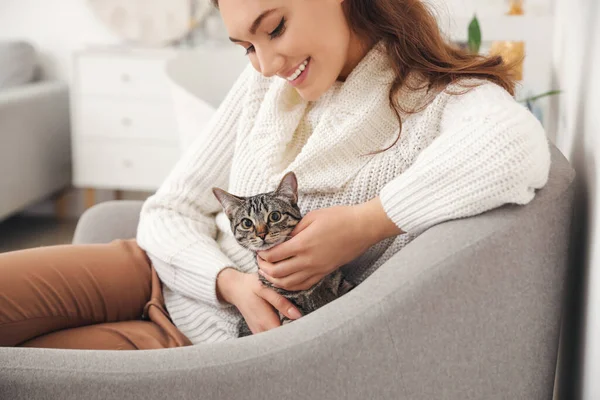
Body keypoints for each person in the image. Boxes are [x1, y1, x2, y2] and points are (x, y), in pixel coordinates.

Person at [0, 0, 551, 349]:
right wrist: (229, 283)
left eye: (276, 28)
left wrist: (366, 223)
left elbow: (515, 147)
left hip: (195, 343)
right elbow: (169, 208)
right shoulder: (269, 81)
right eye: (246, 47)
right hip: (156, 271)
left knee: (24, 370)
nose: (265, 64)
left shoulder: (437, 99)